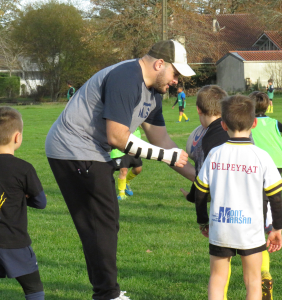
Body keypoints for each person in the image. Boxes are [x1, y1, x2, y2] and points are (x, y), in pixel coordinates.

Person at [45, 39, 196, 300]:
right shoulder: (126, 77)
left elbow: (162, 141)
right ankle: (108, 295)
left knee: (105, 222)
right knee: (101, 222)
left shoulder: (153, 93)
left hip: (92, 151)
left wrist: (202, 180)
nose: (176, 82)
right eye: (175, 73)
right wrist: (163, 156)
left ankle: (105, 292)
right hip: (73, 148)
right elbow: (117, 137)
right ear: (160, 64)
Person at [194, 95, 282, 300]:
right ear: (254, 123)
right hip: (251, 229)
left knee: (217, 278)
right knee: (253, 281)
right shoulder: (262, 156)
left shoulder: (215, 154)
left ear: (223, 125)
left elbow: (200, 193)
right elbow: (275, 197)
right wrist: (277, 227)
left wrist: (203, 222)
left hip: (221, 225)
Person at [181, 85, 231, 300]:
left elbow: (202, 180)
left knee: (218, 273)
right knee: (252, 275)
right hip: (249, 211)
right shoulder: (241, 135)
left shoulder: (206, 141)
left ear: (199, 110)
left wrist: (193, 198)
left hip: (221, 212)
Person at [249, 91, 282, 300]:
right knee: (270, 196)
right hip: (277, 163)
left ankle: (264, 221)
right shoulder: (274, 122)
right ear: (268, 106)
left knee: (259, 200)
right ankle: (268, 219)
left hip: (258, 164)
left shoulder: (249, 123)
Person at [0, 107, 47, 300]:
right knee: (33, 289)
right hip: (14, 242)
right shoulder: (23, 169)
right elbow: (40, 202)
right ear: (17, 137)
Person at [110, 127, 143, 200]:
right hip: (120, 147)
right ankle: (121, 194)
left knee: (138, 169)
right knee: (124, 170)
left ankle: (126, 182)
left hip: (134, 146)